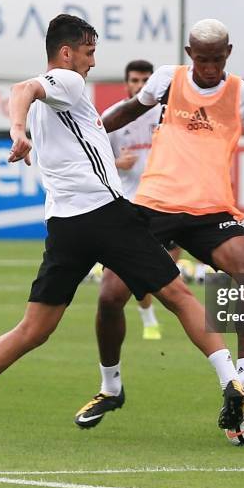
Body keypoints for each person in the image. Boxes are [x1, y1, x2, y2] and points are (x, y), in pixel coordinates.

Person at [0, 14, 244, 444]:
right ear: (67, 52)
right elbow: (21, 89)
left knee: (33, 329)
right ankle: (234, 384)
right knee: (178, 295)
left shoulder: (53, 98)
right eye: (89, 52)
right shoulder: (69, 83)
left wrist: (22, 127)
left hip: (64, 225)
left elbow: (23, 92)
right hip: (105, 215)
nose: (93, 62)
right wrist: (17, 131)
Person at [74, 18, 244, 429]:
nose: (209, 67)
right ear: (190, 55)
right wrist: (87, 129)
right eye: (202, 59)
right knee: (109, 296)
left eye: (217, 59)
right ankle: (111, 387)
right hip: (154, 204)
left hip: (211, 211)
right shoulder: (168, 80)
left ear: (228, 53)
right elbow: (124, 111)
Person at [105, 59, 181, 340]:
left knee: (164, 270)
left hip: (166, 202)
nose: (139, 86)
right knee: (138, 274)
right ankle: (148, 317)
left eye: (144, 81)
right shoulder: (112, 117)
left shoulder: (168, 113)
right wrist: (116, 163)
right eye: (134, 81)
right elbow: (94, 162)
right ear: (126, 83)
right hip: (131, 203)